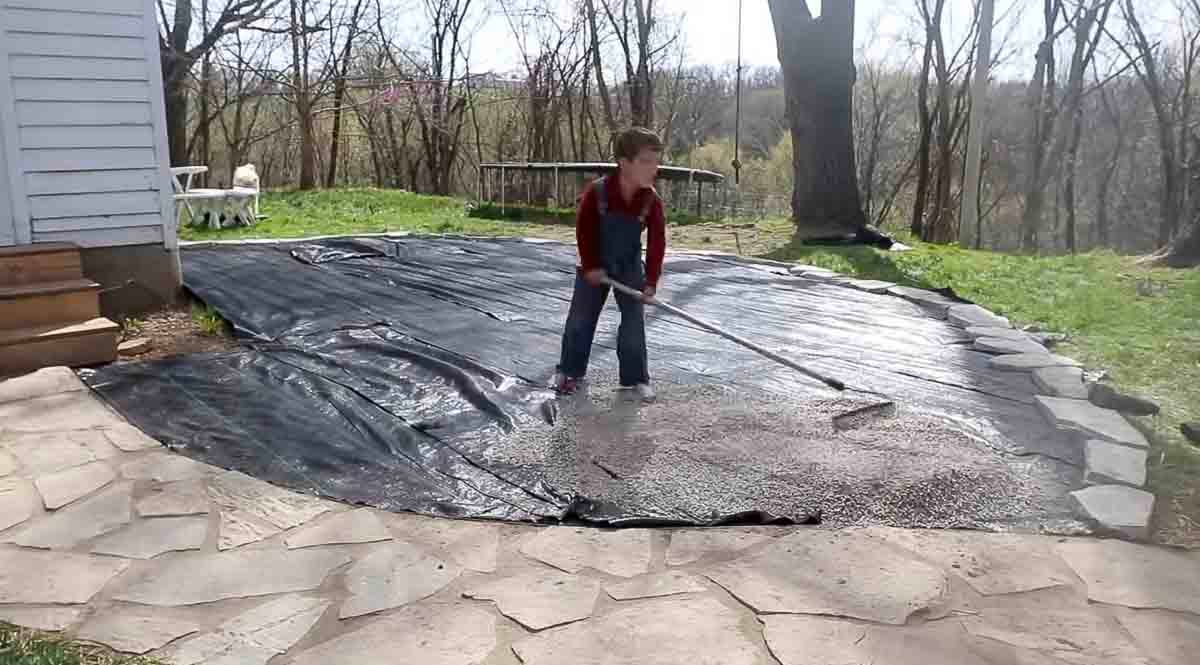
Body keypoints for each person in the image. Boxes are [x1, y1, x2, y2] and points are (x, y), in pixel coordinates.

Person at [553, 127, 667, 401]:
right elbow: (585, 230)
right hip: (594, 267)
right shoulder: (598, 192)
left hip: (628, 265)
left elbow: (656, 243)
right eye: (645, 162)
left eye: (656, 162)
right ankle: (569, 373)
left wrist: (650, 282)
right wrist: (591, 266)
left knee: (633, 323)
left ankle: (635, 378)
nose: (654, 169)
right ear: (624, 163)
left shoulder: (651, 200)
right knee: (580, 320)